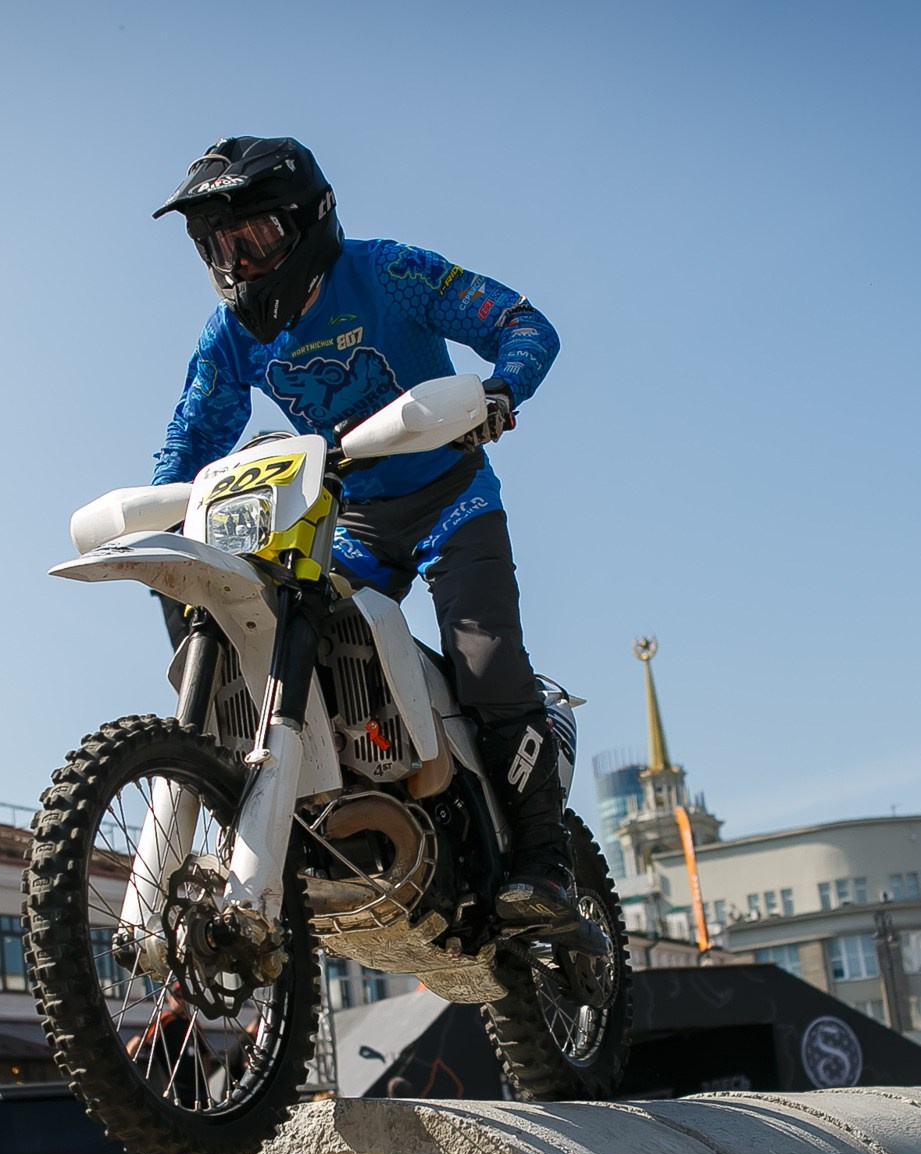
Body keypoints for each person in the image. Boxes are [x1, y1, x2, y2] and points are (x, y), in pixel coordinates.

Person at [149, 136, 599, 952]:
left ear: (312, 219)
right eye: (218, 246)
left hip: (451, 500)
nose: (239, 262)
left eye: (253, 238)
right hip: (347, 518)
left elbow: (522, 323)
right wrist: (161, 517)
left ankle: (543, 862)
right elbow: (190, 437)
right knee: (286, 630)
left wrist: (501, 389)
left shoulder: (389, 271)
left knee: (486, 658)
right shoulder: (230, 334)